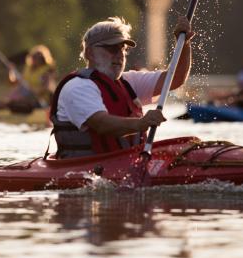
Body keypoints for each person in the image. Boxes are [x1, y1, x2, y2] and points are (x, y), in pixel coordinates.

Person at [50, 16, 194, 159]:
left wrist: (184, 43)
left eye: (122, 49)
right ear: (89, 53)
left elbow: (175, 79)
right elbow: (101, 124)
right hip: (85, 170)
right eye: (112, 49)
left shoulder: (129, 81)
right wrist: (141, 123)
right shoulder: (78, 87)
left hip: (127, 165)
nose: (120, 55)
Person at [6, 45, 57, 110]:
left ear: (43, 59)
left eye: (39, 57)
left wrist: (32, 92)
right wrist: (11, 71)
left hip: (41, 101)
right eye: (34, 56)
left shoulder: (47, 70)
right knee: (10, 101)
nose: (35, 59)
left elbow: (46, 88)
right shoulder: (28, 69)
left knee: (21, 100)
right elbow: (13, 83)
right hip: (26, 97)